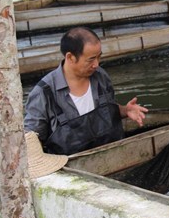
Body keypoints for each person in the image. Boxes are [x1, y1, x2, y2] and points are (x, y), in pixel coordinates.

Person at [24, 27, 148, 155]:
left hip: (114, 154)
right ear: (70, 57)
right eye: (91, 59)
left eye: (99, 57)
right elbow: (31, 140)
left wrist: (125, 110)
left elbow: (108, 112)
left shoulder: (100, 76)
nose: (96, 64)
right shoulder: (43, 93)